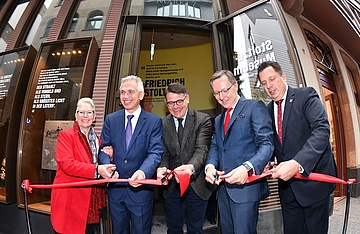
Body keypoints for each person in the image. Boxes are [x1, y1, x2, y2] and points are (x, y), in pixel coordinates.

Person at [257, 61, 337, 234]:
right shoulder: (267, 110)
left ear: (283, 77)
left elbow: (321, 131)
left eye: (272, 79)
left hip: (313, 185)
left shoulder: (305, 96)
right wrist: (267, 161)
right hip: (287, 189)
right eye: (264, 83)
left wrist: (297, 163)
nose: (269, 86)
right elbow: (275, 143)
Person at [205, 70, 274, 233]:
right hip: (223, 191)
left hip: (246, 190)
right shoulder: (219, 119)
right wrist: (209, 166)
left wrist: (247, 167)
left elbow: (267, 144)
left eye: (225, 90)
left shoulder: (254, 107)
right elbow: (216, 146)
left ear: (235, 86)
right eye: (216, 93)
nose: (221, 96)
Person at [99, 75, 163, 234]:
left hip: (140, 192)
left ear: (141, 95)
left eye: (130, 92)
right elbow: (103, 148)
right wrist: (108, 167)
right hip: (116, 190)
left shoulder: (153, 122)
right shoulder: (111, 120)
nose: (126, 97)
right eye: (122, 92)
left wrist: (143, 172)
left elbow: (155, 152)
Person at [51, 97, 117, 234]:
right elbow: (67, 164)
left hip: (90, 201)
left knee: (89, 230)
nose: (85, 116)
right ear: (76, 115)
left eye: (89, 113)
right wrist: (97, 169)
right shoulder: (66, 136)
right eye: (81, 112)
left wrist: (109, 157)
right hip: (71, 199)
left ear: (94, 116)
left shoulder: (97, 141)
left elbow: (98, 161)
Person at [156, 83, 215, 234]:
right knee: (173, 229)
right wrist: (162, 167)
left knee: (195, 229)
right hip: (172, 187)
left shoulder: (202, 120)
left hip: (196, 185)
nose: (175, 106)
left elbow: (201, 150)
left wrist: (190, 168)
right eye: (170, 103)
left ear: (187, 99)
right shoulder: (163, 124)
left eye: (179, 101)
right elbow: (164, 154)